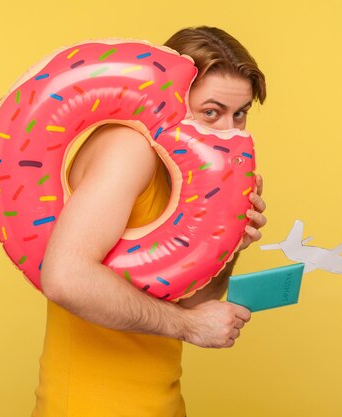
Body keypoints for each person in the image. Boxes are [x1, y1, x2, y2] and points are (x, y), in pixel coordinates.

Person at [31, 26, 268, 417]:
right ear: (169, 98)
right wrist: (189, 328)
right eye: (211, 112)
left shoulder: (187, 176)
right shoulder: (130, 150)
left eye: (239, 114)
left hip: (161, 403)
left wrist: (231, 241)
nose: (229, 131)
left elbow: (191, 300)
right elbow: (65, 277)